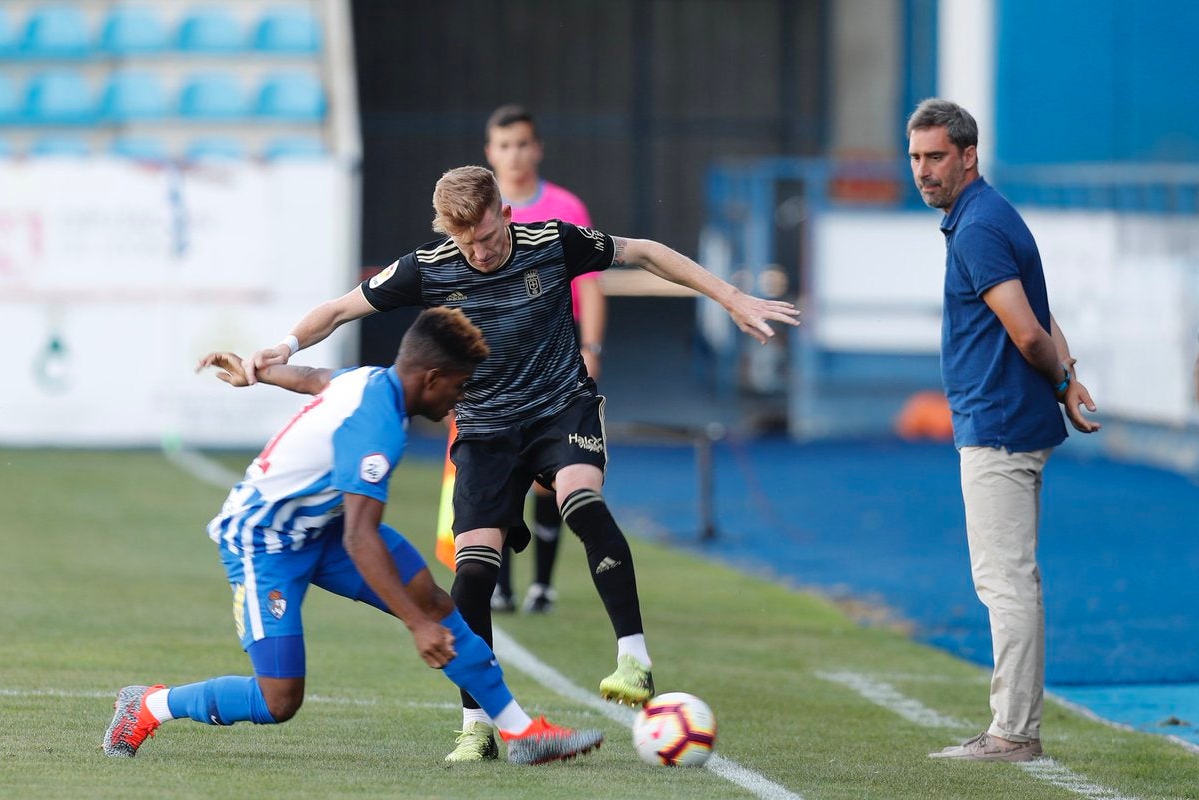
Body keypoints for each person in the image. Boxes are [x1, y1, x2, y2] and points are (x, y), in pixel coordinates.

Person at [242, 165, 800, 762]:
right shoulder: (427, 267)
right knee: (474, 573)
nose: (479, 252)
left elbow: (646, 252)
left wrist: (731, 296)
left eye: (487, 235)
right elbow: (339, 310)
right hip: (484, 432)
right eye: (466, 242)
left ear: (505, 213)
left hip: (562, 407)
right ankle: (476, 723)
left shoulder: (554, 242)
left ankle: (634, 660)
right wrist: (284, 346)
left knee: (581, 502)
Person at [102, 308, 603, 766]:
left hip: (323, 525)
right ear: (431, 378)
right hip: (263, 542)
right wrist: (415, 626)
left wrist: (258, 372)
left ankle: (521, 733)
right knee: (279, 700)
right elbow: (361, 540)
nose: (461, 396)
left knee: (433, 599)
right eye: (459, 384)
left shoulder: (369, 380)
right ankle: (149, 705)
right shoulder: (377, 428)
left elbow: (317, 379)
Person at [906, 99, 1101, 763]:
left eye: (935, 157)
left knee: (1006, 582)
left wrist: (1056, 380)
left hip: (998, 423)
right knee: (1014, 580)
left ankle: (1014, 733)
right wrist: (1069, 377)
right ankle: (1014, 727)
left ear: (968, 156)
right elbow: (1042, 317)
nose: (923, 171)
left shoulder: (980, 228)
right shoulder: (990, 215)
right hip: (1005, 418)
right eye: (915, 157)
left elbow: (1024, 329)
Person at [482, 103, 604, 615]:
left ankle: (542, 585)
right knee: (498, 468)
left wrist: (591, 351)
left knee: (550, 472)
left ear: (537, 148)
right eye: (504, 145)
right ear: (490, 152)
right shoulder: (477, 207)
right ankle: (502, 586)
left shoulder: (566, 206)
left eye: (522, 144)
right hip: (495, 363)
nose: (514, 154)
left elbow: (590, 286)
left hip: (554, 360)